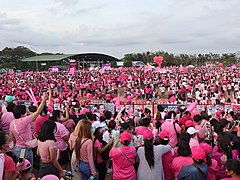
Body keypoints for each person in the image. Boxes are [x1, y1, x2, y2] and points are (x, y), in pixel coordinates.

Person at [9, 95, 46, 167]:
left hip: (17, 148)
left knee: (22, 167)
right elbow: (38, 112)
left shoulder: (12, 123)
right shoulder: (24, 121)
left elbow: (12, 137)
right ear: (22, 114)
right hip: (25, 149)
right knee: (28, 167)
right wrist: (43, 100)